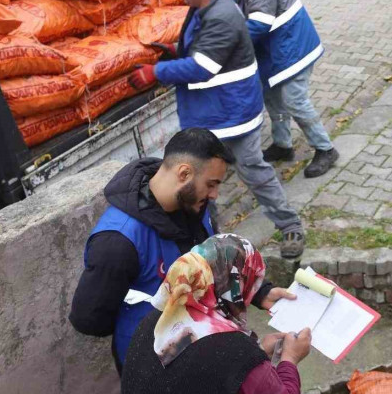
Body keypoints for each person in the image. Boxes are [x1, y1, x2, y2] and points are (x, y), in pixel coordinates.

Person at [69, 128, 296, 375]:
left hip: (204, 352)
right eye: (211, 184)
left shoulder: (194, 205)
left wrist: (259, 292)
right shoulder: (118, 242)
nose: (215, 194)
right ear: (184, 173)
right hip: (156, 372)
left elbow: (216, 262)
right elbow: (90, 319)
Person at [129, 0, 306, 258]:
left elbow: (203, 66)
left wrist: (155, 72)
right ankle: (209, 241)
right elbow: (203, 45)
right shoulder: (204, 6)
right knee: (200, 182)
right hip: (213, 112)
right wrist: (174, 49)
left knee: (252, 170)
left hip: (232, 114)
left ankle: (289, 225)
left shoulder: (221, 15)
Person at [121, 234, 311, 394]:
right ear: (237, 285)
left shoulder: (155, 321)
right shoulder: (238, 354)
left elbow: (197, 368)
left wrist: (258, 351)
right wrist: (290, 358)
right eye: (252, 282)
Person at [216, 0, 339, 179]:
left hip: (293, 47)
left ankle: (325, 149)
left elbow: (259, 24)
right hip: (280, 47)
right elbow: (249, 4)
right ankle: (283, 145)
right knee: (272, 96)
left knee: (294, 100)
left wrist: (230, 46)